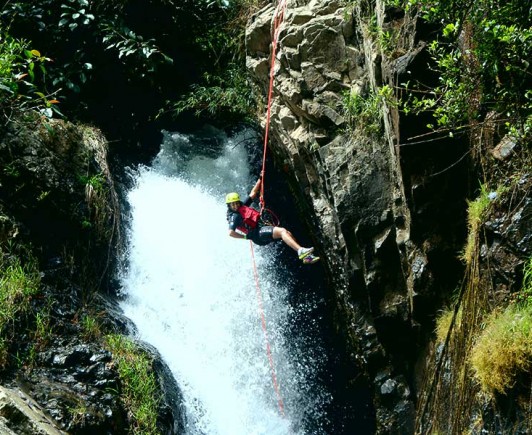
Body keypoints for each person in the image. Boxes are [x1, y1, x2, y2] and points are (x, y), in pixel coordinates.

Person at [225, 178, 319, 264]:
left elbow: (253, 193)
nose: (235, 206)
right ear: (229, 206)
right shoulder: (234, 216)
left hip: (260, 229)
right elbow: (230, 233)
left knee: (287, 233)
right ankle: (301, 251)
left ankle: (306, 257)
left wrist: (260, 179)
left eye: (236, 203)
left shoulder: (242, 206)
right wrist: (245, 237)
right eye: (232, 205)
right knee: (282, 231)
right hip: (257, 235)